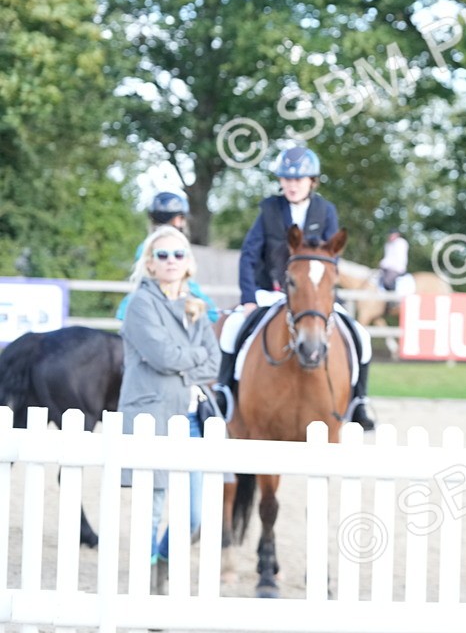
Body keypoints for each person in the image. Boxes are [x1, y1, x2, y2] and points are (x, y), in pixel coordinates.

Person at [214, 146, 376, 429]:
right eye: (286, 179)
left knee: (360, 335)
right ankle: (225, 391)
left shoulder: (325, 211)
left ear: (311, 182)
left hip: (312, 296)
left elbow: (331, 258)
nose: (291, 185)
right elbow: (249, 255)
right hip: (271, 292)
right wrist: (249, 298)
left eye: (298, 180)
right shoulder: (269, 209)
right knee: (231, 328)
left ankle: (359, 401)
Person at [118, 225, 219, 594]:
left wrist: (186, 360)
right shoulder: (140, 304)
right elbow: (161, 356)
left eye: (178, 254)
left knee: (193, 516)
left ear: (188, 262)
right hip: (153, 415)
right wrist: (193, 358)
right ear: (150, 263)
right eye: (162, 255)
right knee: (152, 507)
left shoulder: (195, 304)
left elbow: (215, 362)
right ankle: (144, 587)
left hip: (190, 418)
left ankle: (161, 560)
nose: (171, 261)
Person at [117, 191, 219, 323]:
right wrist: (211, 309)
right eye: (182, 218)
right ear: (176, 219)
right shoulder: (177, 248)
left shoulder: (146, 246)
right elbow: (184, 284)